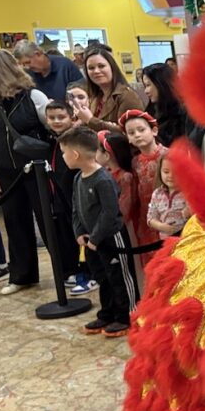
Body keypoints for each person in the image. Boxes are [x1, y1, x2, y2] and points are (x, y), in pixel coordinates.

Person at [59, 126, 139, 338]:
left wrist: (95, 237)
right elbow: (75, 207)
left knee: (119, 277)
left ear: (75, 154)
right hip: (91, 241)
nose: (62, 157)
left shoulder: (103, 179)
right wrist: (79, 232)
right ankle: (108, 312)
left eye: (64, 153)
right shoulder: (78, 178)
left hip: (110, 238)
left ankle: (127, 315)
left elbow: (110, 212)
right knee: (102, 277)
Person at [0, 49, 51, 296]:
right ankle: (22, 275)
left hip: (36, 169)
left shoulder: (33, 96)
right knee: (15, 222)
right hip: (6, 171)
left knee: (50, 220)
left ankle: (68, 269)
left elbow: (52, 127)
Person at [43, 98, 85, 290]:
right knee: (66, 235)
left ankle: (87, 273)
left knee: (80, 234)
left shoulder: (77, 138)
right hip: (59, 198)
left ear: (71, 117)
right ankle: (73, 270)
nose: (56, 121)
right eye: (52, 118)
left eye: (61, 117)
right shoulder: (51, 140)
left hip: (76, 198)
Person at [121, 110, 166, 251]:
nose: (137, 135)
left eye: (141, 130)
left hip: (169, 215)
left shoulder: (169, 155)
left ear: (154, 131)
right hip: (146, 219)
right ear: (128, 138)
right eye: (132, 133)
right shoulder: (135, 162)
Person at [74, 46, 142, 132]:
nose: (96, 71)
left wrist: (90, 120)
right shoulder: (95, 97)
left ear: (112, 67)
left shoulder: (127, 96)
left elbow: (132, 133)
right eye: (91, 68)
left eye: (101, 66)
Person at [96, 131, 138, 248]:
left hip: (121, 227)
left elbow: (124, 209)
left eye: (96, 150)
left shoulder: (124, 177)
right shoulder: (104, 174)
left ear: (106, 155)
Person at [13, 39, 83, 106]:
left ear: (38, 54)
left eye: (28, 62)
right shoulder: (27, 74)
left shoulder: (65, 66)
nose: (27, 67)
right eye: (23, 64)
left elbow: (82, 93)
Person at [141, 62, 192, 147]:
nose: (146, 91)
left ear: (161, 84)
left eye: (148, 85)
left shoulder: (184, 112)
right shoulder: (152, 110)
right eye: (145, 86)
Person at [146, 152, 188, 240]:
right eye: (166, 172)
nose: (170, 176)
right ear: (160, 171)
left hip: (187, 240)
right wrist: (161, 226)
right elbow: (151, 218)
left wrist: (189, 212)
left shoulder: (188, 192)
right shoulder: (157, 194)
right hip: (165, 241)